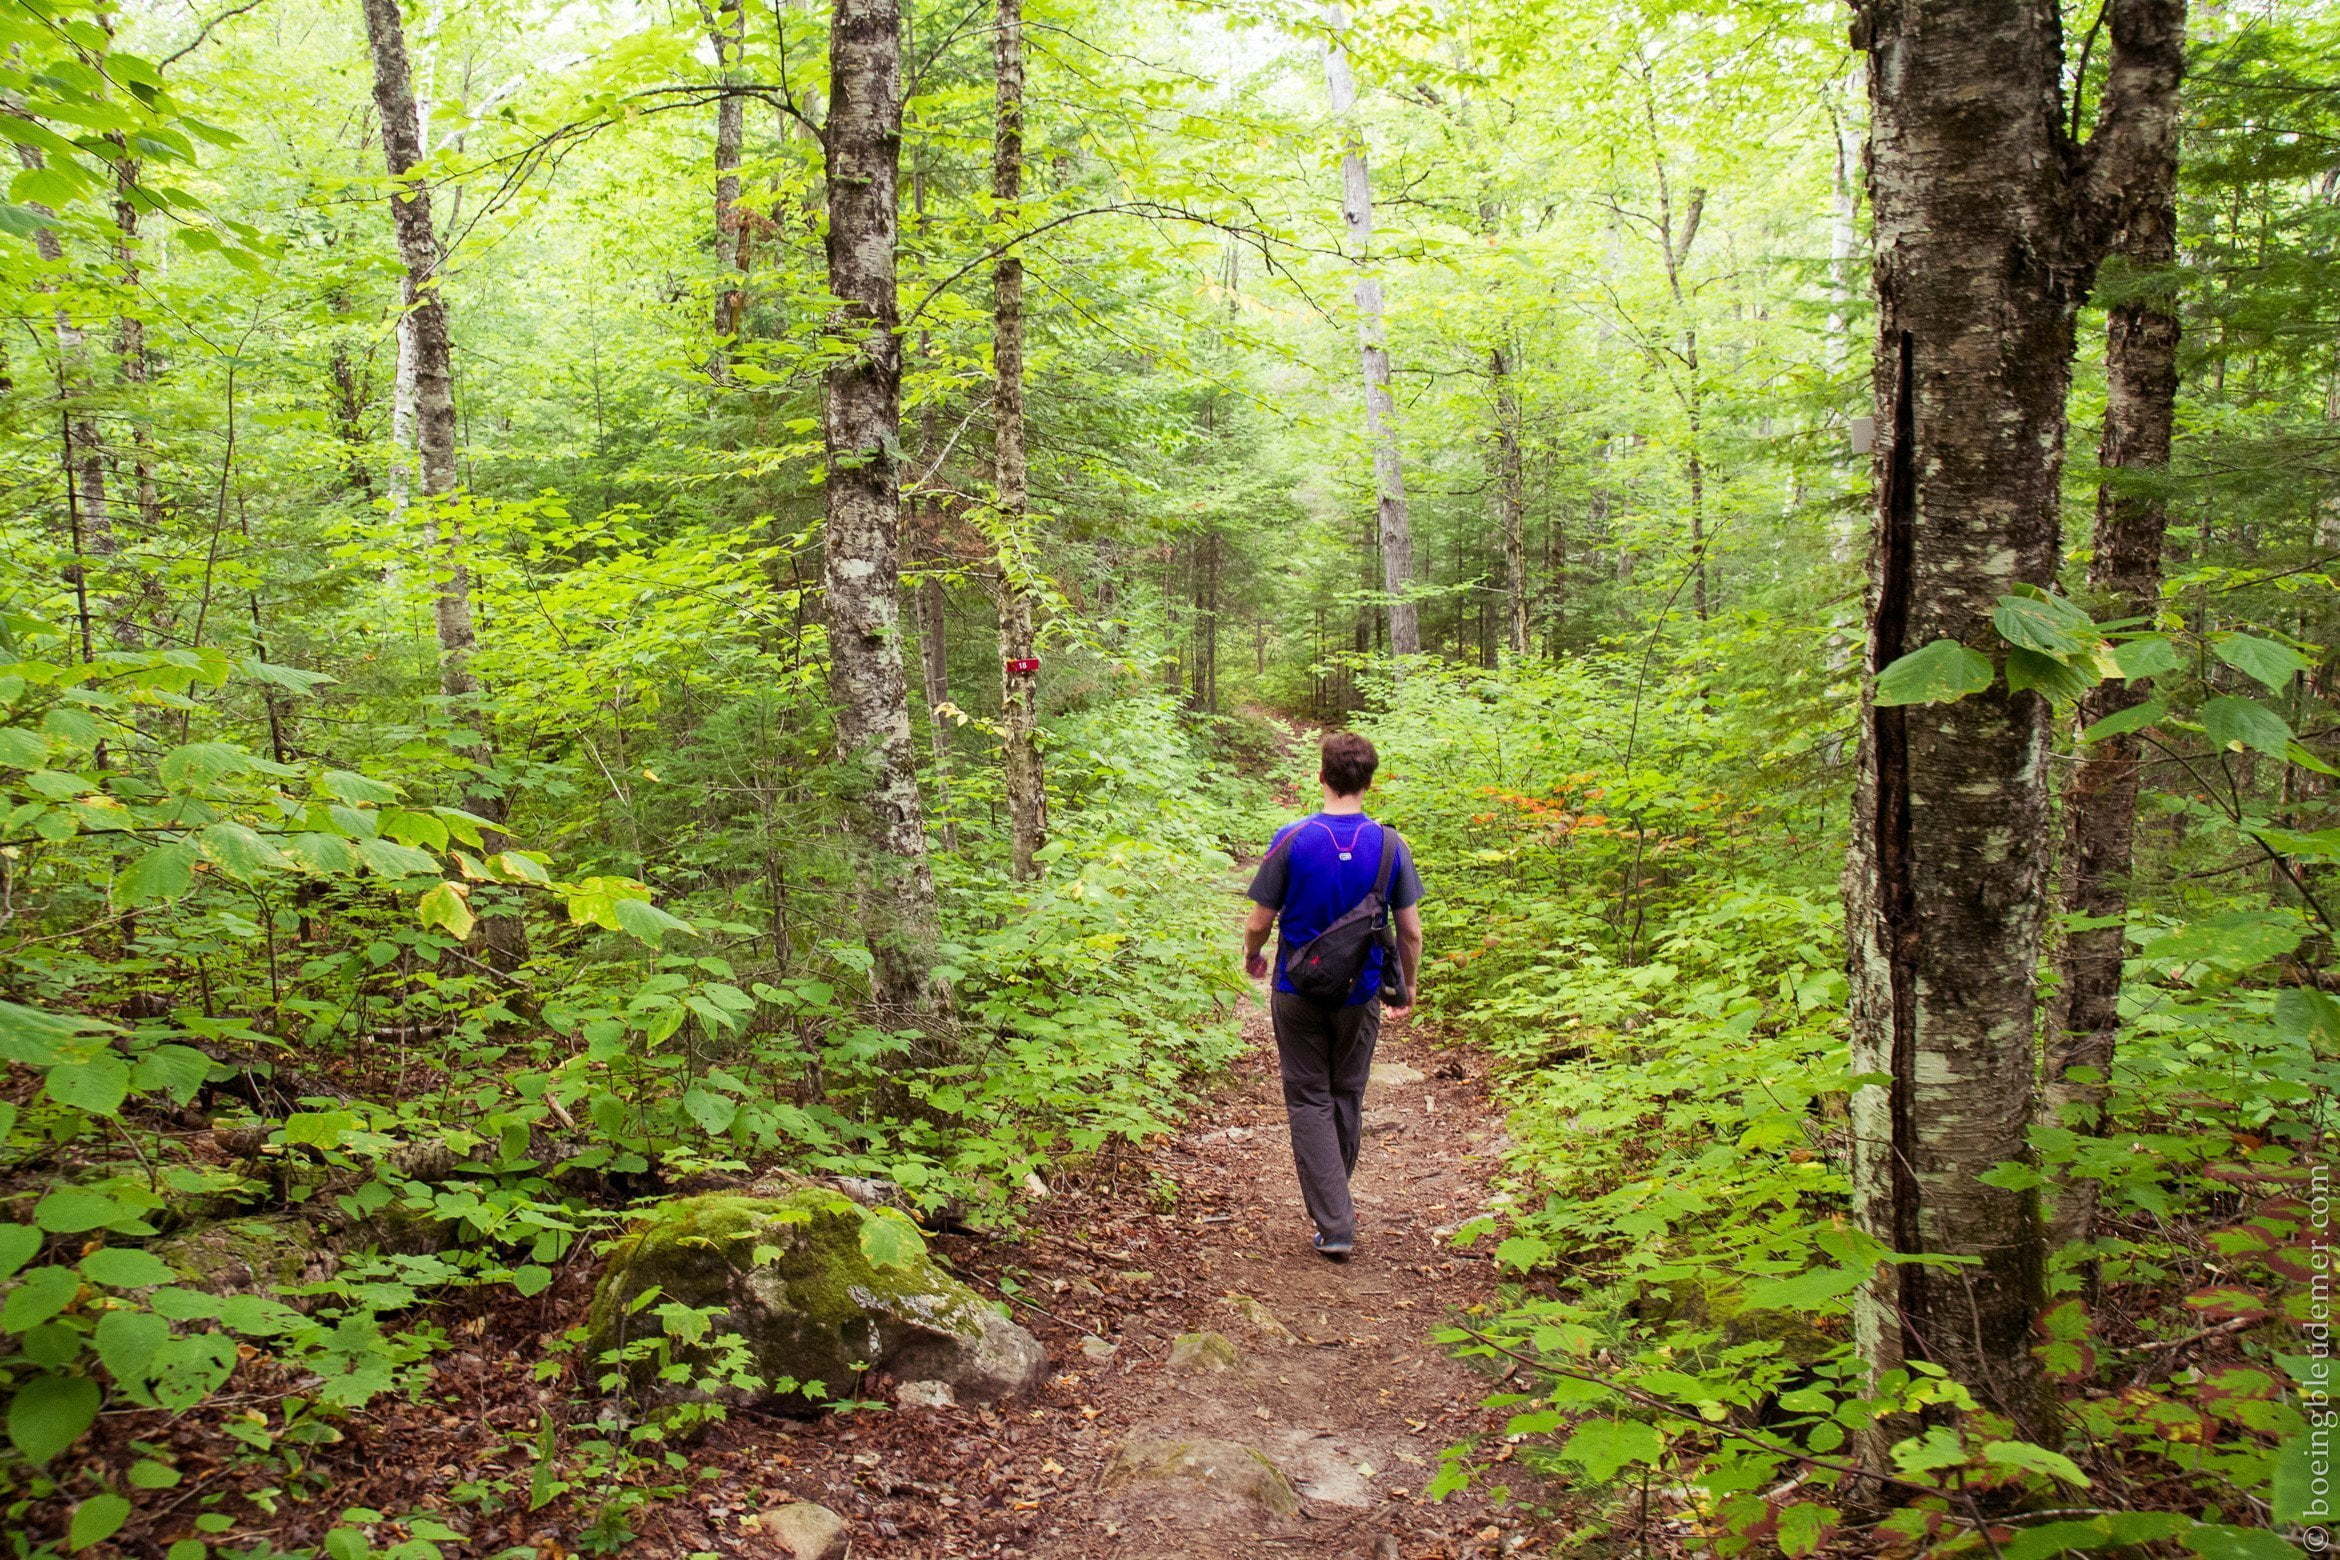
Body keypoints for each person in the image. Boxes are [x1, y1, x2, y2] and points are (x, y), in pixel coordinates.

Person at [1241, 731, 1424, 1261]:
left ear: (1320, 777)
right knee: (1346, 1092)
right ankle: (1334, 1204)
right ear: (1369, 781)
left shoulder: (1293, 838)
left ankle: (1334, 1218)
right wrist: (1407, 985)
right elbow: (1411, 932)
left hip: (1296, 988)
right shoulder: (1390, 845)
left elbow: (1258, 922)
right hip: (1359, 993)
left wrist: (1253, 954)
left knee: (1308, 1098)